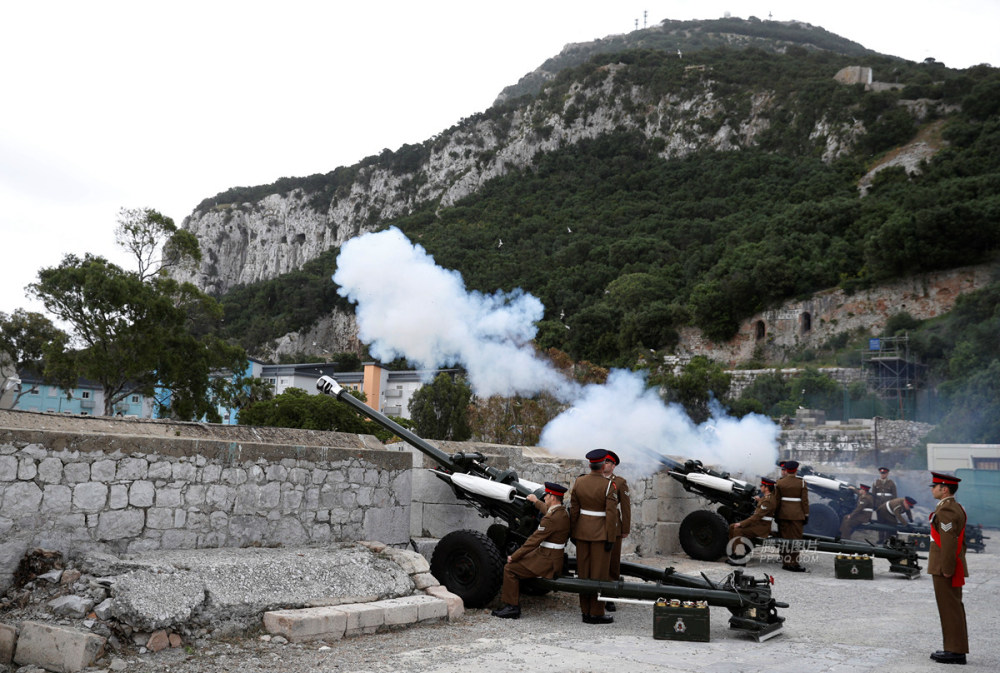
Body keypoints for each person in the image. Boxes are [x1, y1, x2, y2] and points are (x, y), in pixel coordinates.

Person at [492, 482, 571, 619]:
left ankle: (512, 607)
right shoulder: (561, 512)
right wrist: (535, 502)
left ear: (552, 498)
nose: (545, 497)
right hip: (552, 556)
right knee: (522, 560)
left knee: (510, 569)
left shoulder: (550, 519)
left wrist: (514, 556)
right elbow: (548, 510)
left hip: (547, 560)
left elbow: (532, 542)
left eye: (546, 495)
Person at [569, 449, 619, 624]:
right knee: (599, 575)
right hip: (600, 535)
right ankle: (596, 613)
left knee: (583, 573)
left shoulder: (579, 482)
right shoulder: (608, 485)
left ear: (590, 464)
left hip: (582, 533)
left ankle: (585, 612)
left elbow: (574, 510)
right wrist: (611, 539)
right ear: (603, 464)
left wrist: (573, 532)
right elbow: (611, 515)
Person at [928, 472, 968, 665]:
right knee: (951, 607)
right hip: (948, 564)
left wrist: (948, 567)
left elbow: (949, 542)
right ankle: (953, 648)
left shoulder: (946, 511)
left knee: (950, 608)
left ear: (944, 489)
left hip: (944, 567)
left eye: (934, 486)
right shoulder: (953, 507)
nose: (932, 489)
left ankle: (955, 651)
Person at [602, 450, 630, 613]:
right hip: (596, 527)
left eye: (607, 462)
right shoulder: (593, 480)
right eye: (603, 461)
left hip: (613, 528)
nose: (604, 464)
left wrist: (625, 528)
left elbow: (625, 507)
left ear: (613, 466)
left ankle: (611, 597)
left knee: (612, 563)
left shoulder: (619, 482)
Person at [727, 477, 776, 565]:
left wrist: (741, 523)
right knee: (731, 527)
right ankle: (734, 553)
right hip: (758, 524)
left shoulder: (768, 500)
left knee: (738, 529)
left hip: (761, 527)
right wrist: (759, 500)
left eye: (762, 485)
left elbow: (756, 517)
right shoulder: (766, 498)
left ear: (766, 488)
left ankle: (740, 557)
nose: (760, 487)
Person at [773, 459, 809, 572]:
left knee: (784, 538)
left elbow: (776, 500)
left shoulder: (780, 482)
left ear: (787, 470)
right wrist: (806, 514)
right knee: (796, 539)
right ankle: (793, 562)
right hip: (797, 515)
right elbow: (804, 501)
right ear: (796, 470)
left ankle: (785, 561)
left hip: (783, 514)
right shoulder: (801, 482)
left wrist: (776, 514)